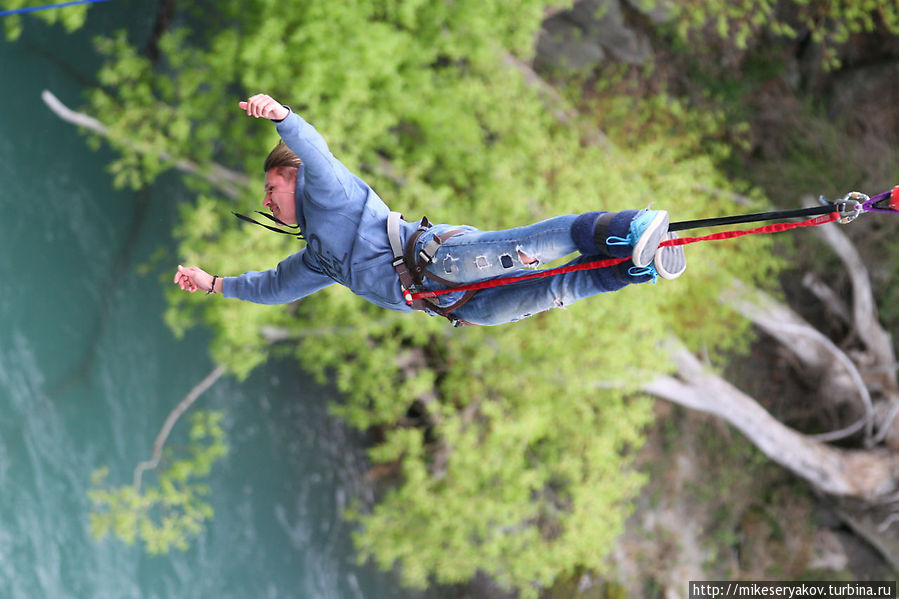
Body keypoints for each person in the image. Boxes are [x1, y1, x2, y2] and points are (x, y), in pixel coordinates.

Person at [174, 93, 686, 326]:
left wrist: (281, 115)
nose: (266, 201)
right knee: (557, 289)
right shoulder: (315, 257)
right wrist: (214, 283)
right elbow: (274, 287)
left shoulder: (327, 191)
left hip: (438, 261)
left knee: (527, 249)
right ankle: (632, 265)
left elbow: (314, 148)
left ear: (291, 175)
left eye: (270, 188)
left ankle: (629, 226)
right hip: (454, 305)